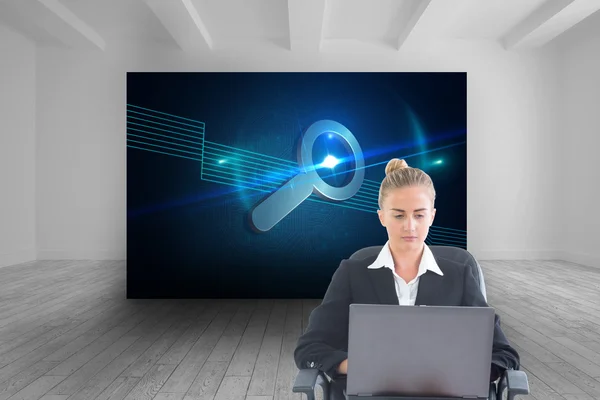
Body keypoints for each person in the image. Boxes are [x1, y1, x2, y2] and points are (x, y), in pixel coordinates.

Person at [293, 158, 520, 400]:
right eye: (399, 216)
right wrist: (356, 366)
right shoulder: (352, 273)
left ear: (432, 216)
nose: (410, 226)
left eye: (419, 215)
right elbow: (309, 348)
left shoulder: (460, 275)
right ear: (382, 217)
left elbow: (504, 353)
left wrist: (462, 371)